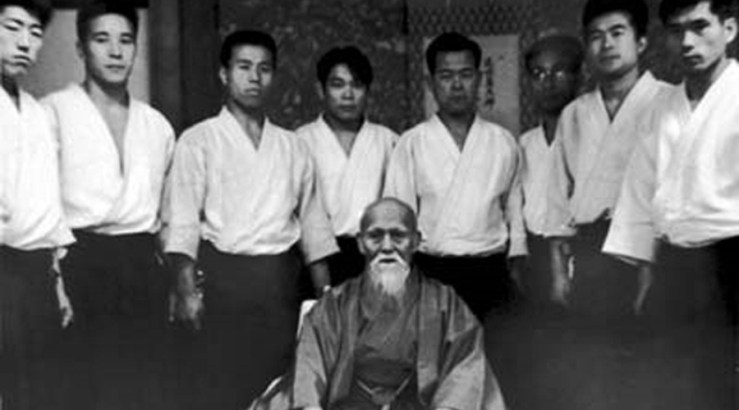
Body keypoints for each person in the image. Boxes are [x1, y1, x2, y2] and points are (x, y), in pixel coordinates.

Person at [163, 29, 338, 409]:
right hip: (224, 282)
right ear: (224, 74)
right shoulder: (198, 140)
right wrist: (186, 290)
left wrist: (326, 297)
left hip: (281, 283)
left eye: (264, 68)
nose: (254, 77)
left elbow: (314, 227)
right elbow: (183, 221)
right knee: (222, 387)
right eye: (244, 67)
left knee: (280, 389)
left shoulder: (293, 146)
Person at [41, 1, 176, 408]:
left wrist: (175, 279)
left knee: (145, 388)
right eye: (102, 40)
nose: (116, 52)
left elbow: (168, 217)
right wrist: (55, 281)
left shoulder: (156, 125)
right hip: (80, 263)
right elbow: (43, 203)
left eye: (126, 40)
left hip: (142, 266)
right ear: (81, 48)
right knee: (86, 389)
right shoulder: (53, 112)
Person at [249, 198, 506, 410]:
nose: (387, 247)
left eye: (398, 236)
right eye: (375, 236)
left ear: (416, 241)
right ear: (360, 243)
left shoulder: (446, 304)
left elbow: (465, 367)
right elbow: (310, 365)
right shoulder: (334, 305)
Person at [603, 1, 737, 407]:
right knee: (671, 384)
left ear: (729, 29)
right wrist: (646, 271)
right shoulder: (662, 107)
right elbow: (640, 190)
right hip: (675, 263)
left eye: (700, 27)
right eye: (677, 31)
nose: (688, 41)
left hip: (732, 257)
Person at [384, 32, 526, 321]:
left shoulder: (503, 142)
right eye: (446, 76)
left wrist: (518, 261)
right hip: (433, 271)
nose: (457, 85)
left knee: (494, 348)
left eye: (466, 74)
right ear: (430, 83)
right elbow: (399, 218)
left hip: (491, 272)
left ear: (479, 78)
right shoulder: (412, 143)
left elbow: (515, 209)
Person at [546, 0, 672, 326]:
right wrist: (559, 273)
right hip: (589, 253)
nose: (607, 44)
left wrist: (651, 267)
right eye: (596, 36)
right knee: (590, 350)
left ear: (641, 42)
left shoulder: (669, 102)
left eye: (617, 33)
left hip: (653, 252)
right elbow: (558, 197)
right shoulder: (575, 113)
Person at [0, 1, 74, 409]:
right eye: (13, 27)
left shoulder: (35, 111)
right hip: (4, 270)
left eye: (34, 32)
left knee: (42, 393)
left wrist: (56, 283)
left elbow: (48, 202)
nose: (25, 42)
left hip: (36, 272)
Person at [297, 46, 399, 285]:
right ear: (320, 89)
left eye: (357, 85)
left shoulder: (389, 141)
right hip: (315, 261)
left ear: (368, 91)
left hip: (375, 256)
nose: (348, 94)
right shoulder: (300, 142)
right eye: (337, 84)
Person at [518, 34, 583, 310]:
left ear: (578, 77)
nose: (548, 82)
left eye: (559, 71)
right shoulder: (523, 144)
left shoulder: (592, 137)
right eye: (538, 73)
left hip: (581, 253)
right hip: (534, 258)